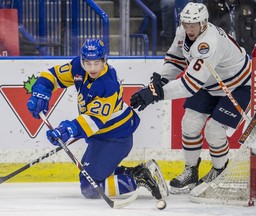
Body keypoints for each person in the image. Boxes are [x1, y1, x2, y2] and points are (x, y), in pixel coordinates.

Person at [130, 2, 251, 194]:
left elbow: (189, 85)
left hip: (236, 86)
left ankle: (219, 171)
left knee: (214, 131)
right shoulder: (183, 32)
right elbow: (175, 59)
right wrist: (160, 79)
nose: (188, 28)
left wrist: (154, 94)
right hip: (209, 83)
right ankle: (191, 171)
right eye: (185, 23)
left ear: (203, 23)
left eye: (193, 25)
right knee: (190, 124)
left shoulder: (208, 43)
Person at [26, 38, 163, 199]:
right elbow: (52, 75)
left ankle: (138, 178)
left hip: (116, 137)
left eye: (97, 63)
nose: (92, 68)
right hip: (99, 135)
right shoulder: (78, 66)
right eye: (88, 63)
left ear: (104, 60)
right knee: (89, 180)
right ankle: (136, 171)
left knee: (90, 188)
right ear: (83, 60)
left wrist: (67, 130)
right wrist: (41, 90)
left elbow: (94, 120)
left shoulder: (107, 84)